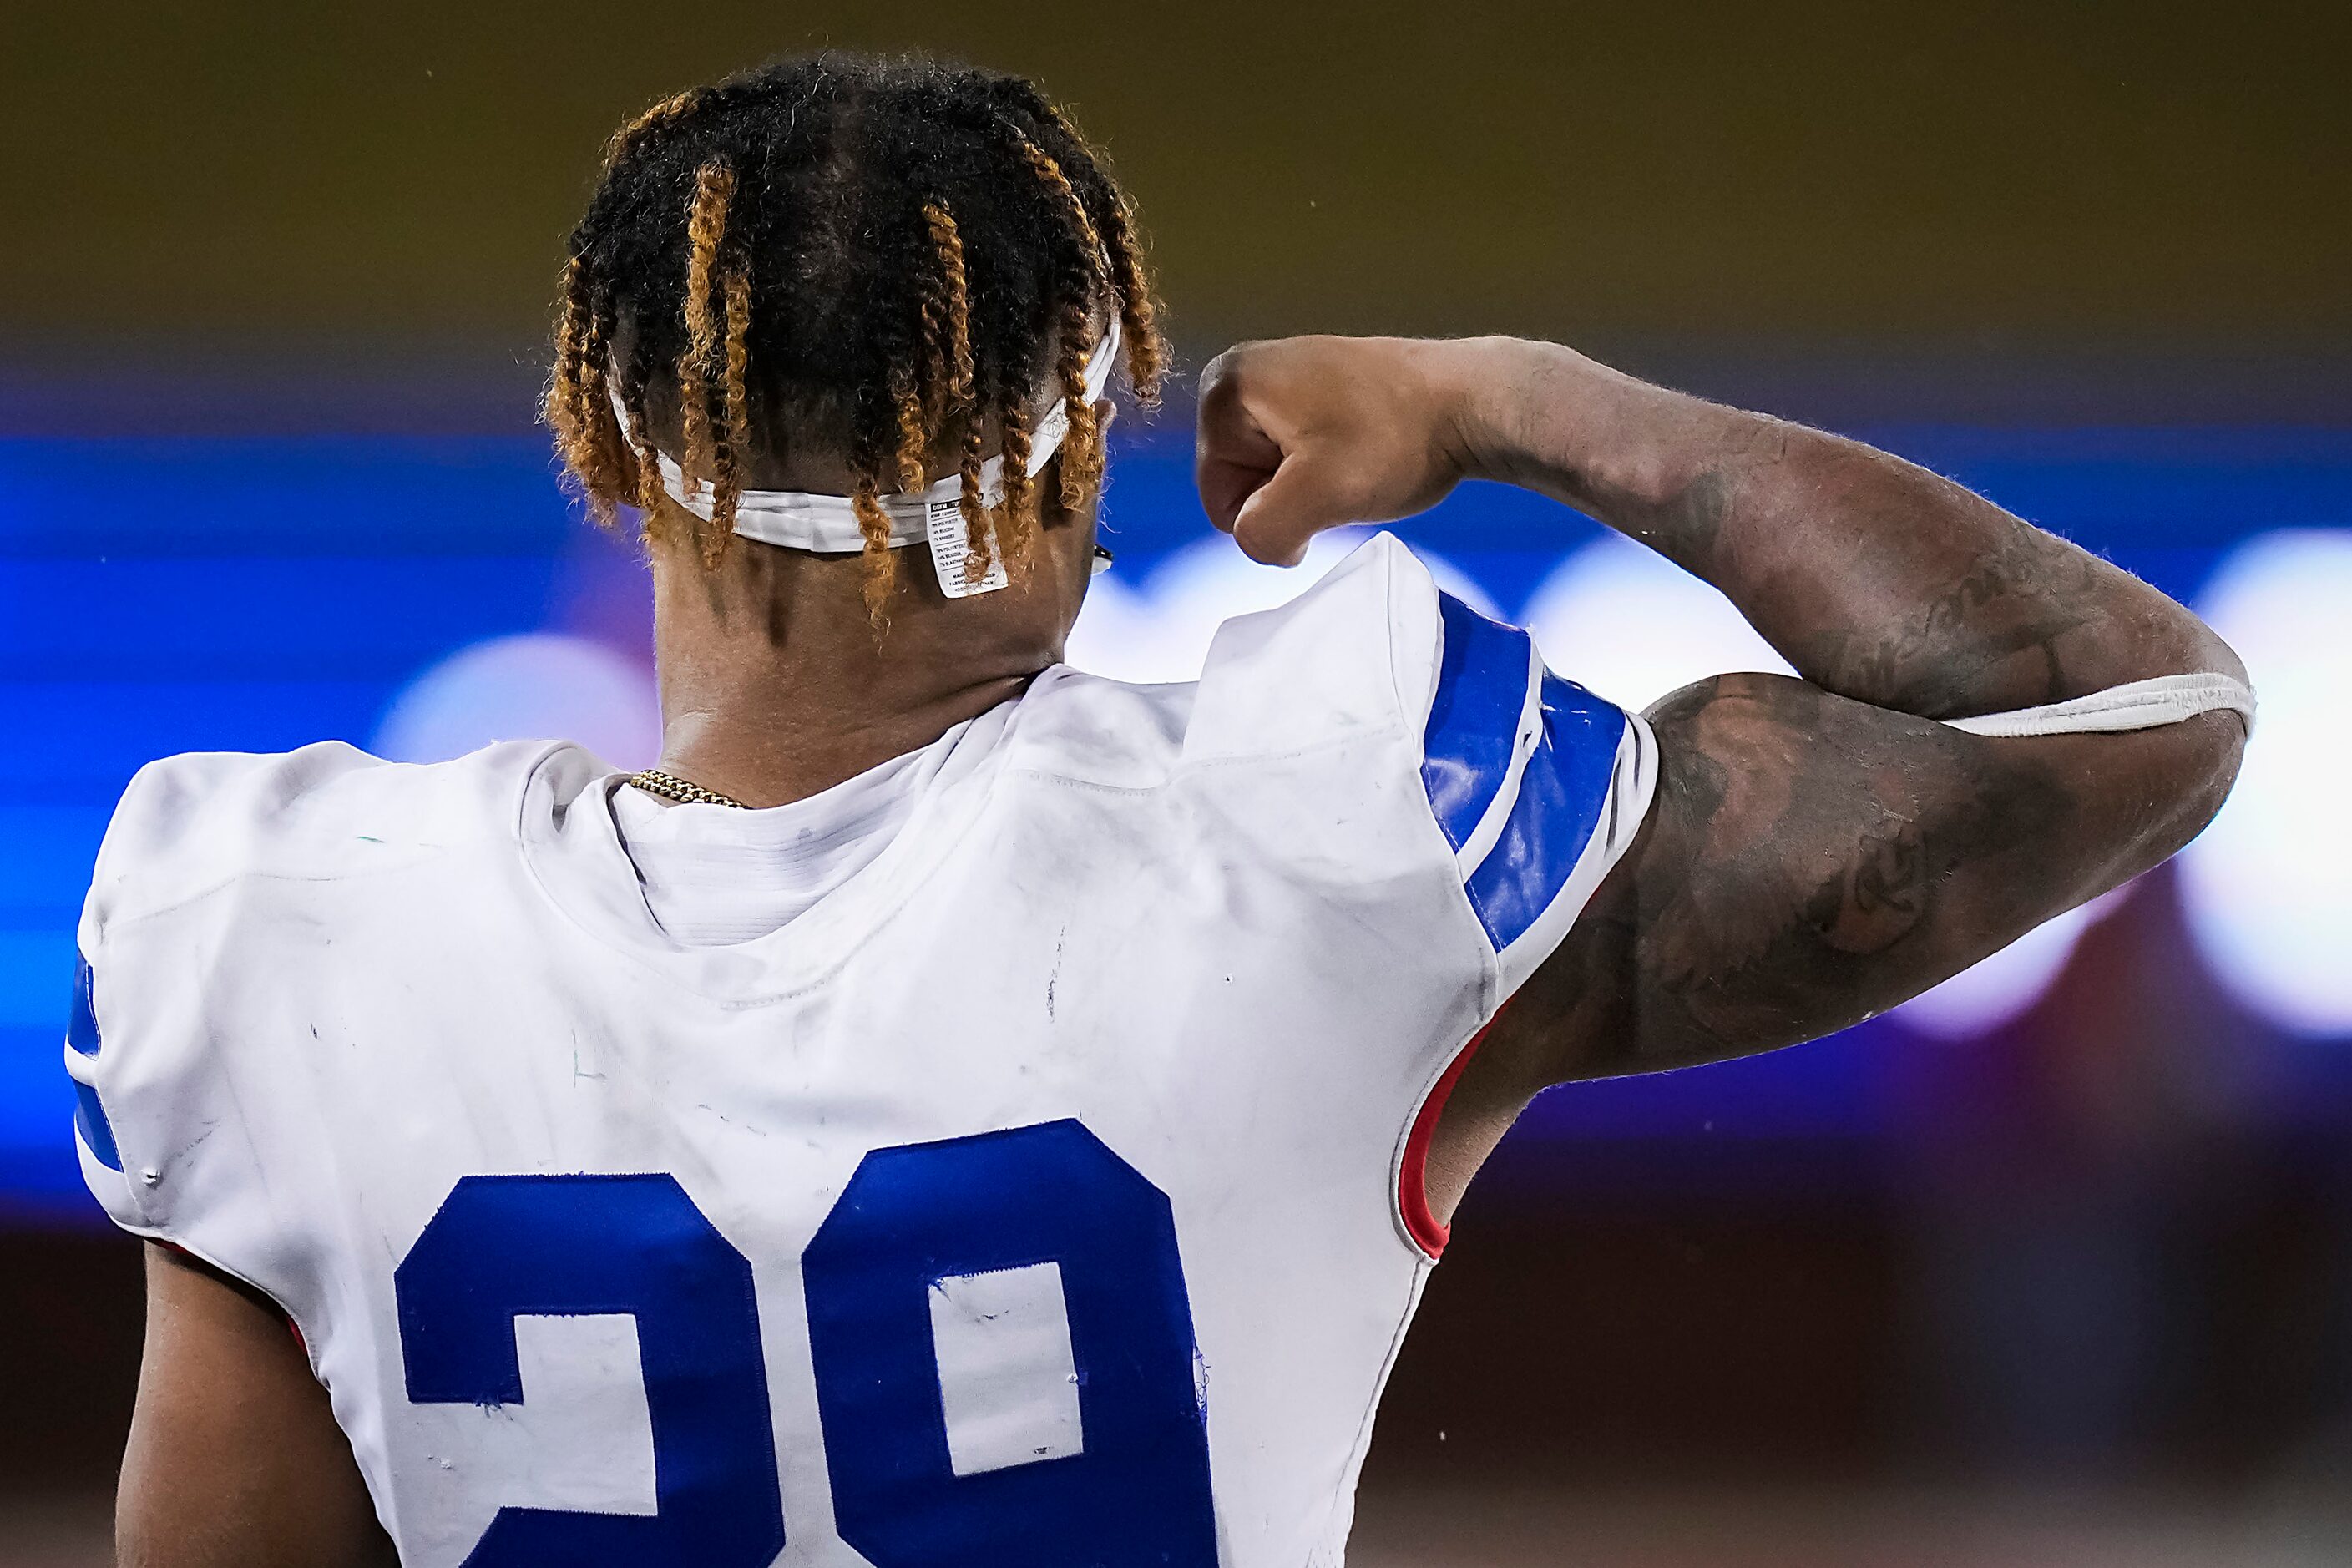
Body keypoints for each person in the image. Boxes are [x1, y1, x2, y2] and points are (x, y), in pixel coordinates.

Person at [73, 53, 2249, 1568]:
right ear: (1081, 428)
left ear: (607, 444)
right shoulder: (1320, 827)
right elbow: (2130, 708)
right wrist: (1525, 398)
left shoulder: (277, 930)